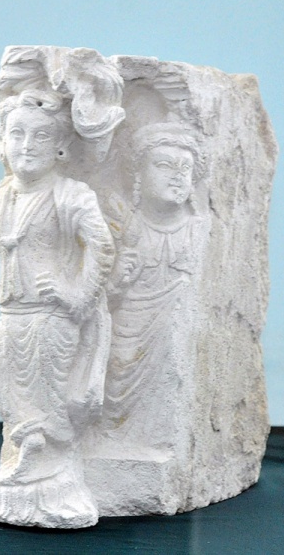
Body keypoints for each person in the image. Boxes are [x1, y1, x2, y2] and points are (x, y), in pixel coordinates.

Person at [0, 89, 114, 528]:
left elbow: (101, 247)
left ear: (59, 147)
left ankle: (52, 478)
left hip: (49, 315)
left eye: (40, 136)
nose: (27, 145)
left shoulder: (70, 194)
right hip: (13, 312)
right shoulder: (7, 192)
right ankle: (31, 456)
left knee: (48, 397)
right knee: (0, 383)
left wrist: (75, 293)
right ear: (2, 142)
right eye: (17, 134)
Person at [102, 122, 208, 454]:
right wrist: (116, 280)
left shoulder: (201, 231)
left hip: (174, 340)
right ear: (138, 173)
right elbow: (95, 298)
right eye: (164, 165)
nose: (177, 176)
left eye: (185, 169)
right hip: (126, 334)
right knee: (116, 375)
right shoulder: (120, 226)